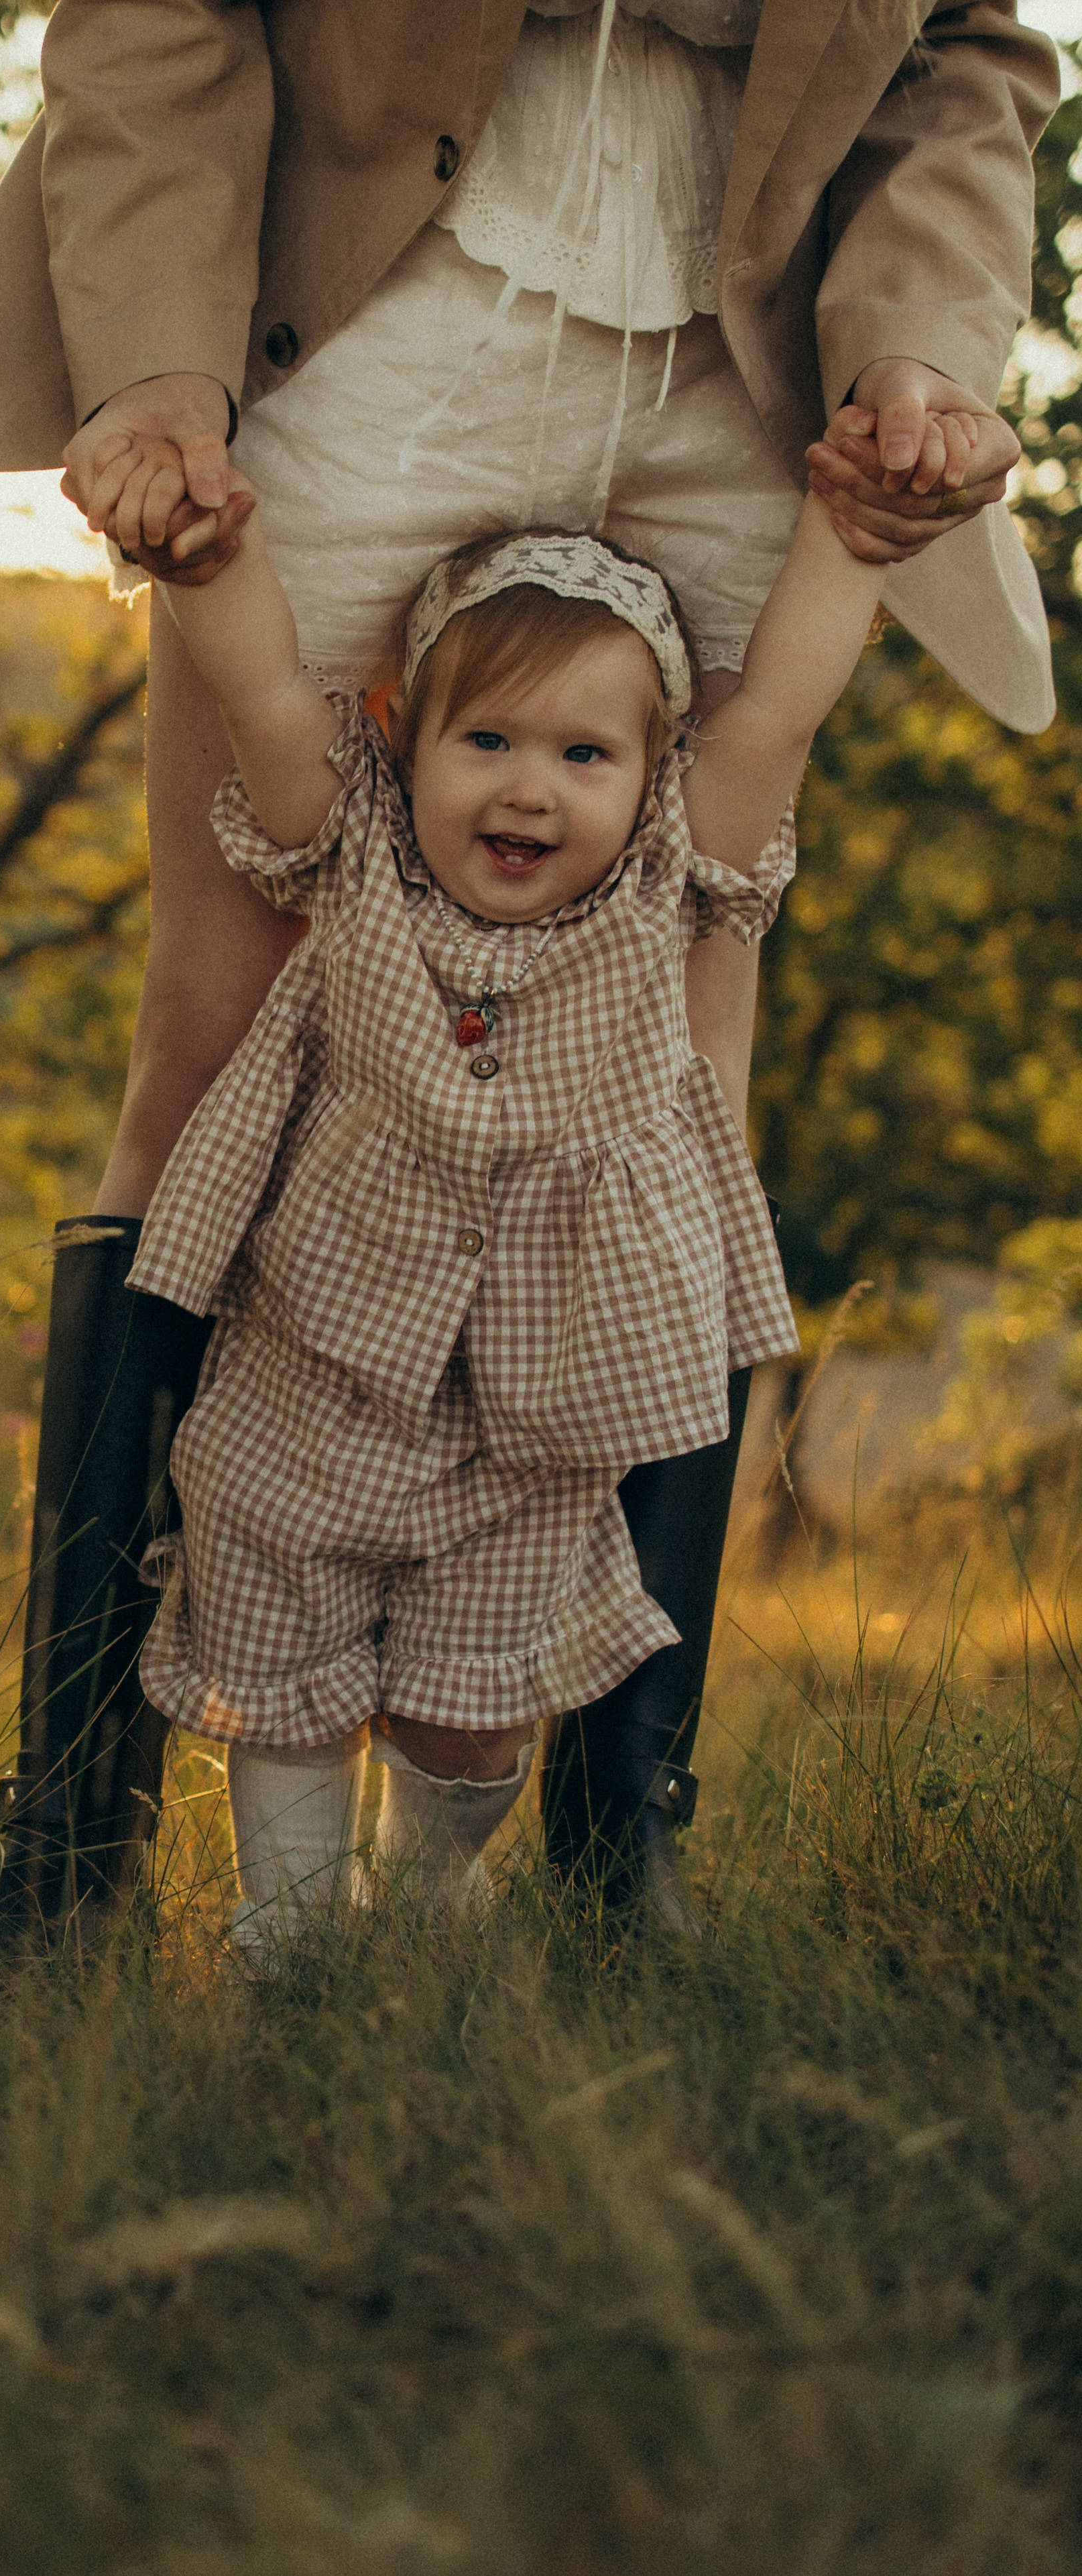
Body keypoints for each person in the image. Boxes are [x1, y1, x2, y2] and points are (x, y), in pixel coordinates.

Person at [0, 1, 1059, 1946]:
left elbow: (968, 48)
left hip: (756, 370)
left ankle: (613, 1847)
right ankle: (74, 1837)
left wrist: (920, 357)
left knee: (672, 1107)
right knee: (216, 1047)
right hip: (377, 308)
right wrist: (160, 372)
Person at [117, 486, 883, 1946]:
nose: (529, 789)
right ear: (407, 741)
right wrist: (214, 567)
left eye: (582, 753)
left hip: (535, 1427)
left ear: (649, 776)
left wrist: (852, 541)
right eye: (486, 741)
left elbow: (774, 708)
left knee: (471, 1711)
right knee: (280, 1671)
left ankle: (424, 1894)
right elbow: (272, 694)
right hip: (309, 1380)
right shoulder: (351, 851)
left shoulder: (668, 882)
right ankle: (289, 1936)